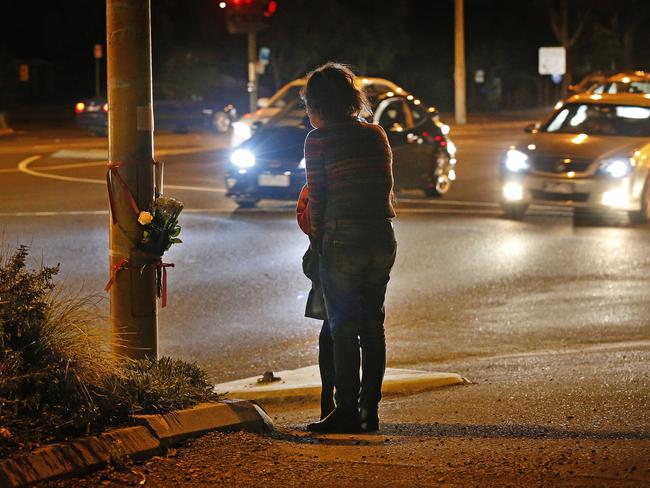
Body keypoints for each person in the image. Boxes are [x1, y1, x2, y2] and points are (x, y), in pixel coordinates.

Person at [301, 62, 397, 433]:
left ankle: (344, 412)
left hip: (342, 238)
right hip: (381, 237)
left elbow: (319, 200)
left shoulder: (318, 141)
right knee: (373, 327)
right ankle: (368, 412)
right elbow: (382, 187)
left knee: (343, 327)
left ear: (318, 105)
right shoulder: (377, 135)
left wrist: (317, 243)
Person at [296, 183, 335, 420]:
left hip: (330, 253)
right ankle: (363, 408)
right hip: (371, 243)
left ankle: (330, 402)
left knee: (332, 329)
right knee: (367, 329)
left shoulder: (318, 180)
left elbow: (306, 220)